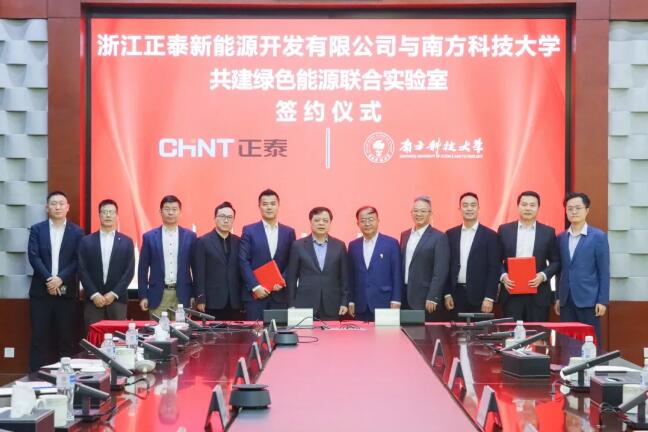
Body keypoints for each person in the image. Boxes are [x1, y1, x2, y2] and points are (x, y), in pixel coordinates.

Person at [27, 191, 83, 371]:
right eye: (53, 203)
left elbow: (78, 260)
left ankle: (67, 379)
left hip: (66, 293)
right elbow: (34, 257)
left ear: (68, 207)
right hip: (40, 292)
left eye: (61, 203)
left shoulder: (77, 232)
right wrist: (50, 280)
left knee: (66, 338)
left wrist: (60, 279)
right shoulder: (37, 229)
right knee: (38, 338)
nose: (57, 207)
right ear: (47, 208)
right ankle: (35, 378)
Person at [555, 192, 609, 344]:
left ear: (587, 210)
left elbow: (604, 270)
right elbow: (560, 270)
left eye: (578, 208)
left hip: (589, 300)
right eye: (570, 208)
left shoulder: (598, 236)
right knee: (567, 342)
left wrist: (602, 300)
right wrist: (558, 297)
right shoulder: (561, 237)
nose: (574, 211)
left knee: (590, 343)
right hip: (566, 301)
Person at [498, 191, 560, 322]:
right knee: (511, 333)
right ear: (518, 206)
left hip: (539, 294)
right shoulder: (504, 230)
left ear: (538, 208)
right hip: (511, 293)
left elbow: (556, 261)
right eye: (524, 204)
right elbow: (495, 260)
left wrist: (543, 276)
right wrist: (503, 276)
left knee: (537, 333)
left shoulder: (548, 232)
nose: (528, 208)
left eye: (532, 205)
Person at [239, 189, 296, 321]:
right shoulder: (249, 230)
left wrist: (282, 280)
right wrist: (255, 286)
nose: (269, 207)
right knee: (255, 332)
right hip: (255, 297)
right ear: (259, 206)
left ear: (278, 206)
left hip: (280, 296)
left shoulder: (289, 232)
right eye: (265, 204)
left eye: (272, 203)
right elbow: (243, 260)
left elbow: (292, 261)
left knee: (279, 332)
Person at [78, 199, 135, 328]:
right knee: (93, 337)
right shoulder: (86, 241)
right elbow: (82, 270)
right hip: (93, 300)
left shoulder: (127, 242)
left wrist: (114, 293)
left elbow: (129, 271)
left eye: (111, 212)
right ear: (99, 215)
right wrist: (94, 294)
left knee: (118, 336)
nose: (108, 215)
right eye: (104, 212)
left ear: (117, 215)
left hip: (117, 300)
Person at [138, 195, 196, 318]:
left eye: (174, 209)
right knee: (157, 330)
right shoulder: (149, 237)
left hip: (183, 295)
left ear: (180, 212)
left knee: (182, 329)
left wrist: (193, 294)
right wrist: (143, 295)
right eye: (167, 209)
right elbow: (142, 269)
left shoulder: (190, 236)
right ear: (160, 211)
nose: (170, 213)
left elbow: (196, 269)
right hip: (157, 295)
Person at [286, 207, 349, 320]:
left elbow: (345, 277)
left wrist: (344, 302)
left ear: (330, 223)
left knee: (332, 332)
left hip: (332, 304)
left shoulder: (339, 246)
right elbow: (291, 278)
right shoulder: (298, 245)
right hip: (304, 304)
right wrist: (291, 304)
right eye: (317, 220)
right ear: (310, 222)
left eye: (325, 220)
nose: (321, 223)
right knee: (304, 332)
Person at [445, 192, 499, 317]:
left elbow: (494, 268)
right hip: (455, 296)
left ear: (478, 208)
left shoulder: (491, 236)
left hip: (480, 297)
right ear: (460, 209)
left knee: (480, 330)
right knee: (456, 329)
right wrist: (446, 294)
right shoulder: (450, 234)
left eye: (473, 205)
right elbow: (446, 266)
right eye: (465, 205)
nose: (469, 208)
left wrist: (489, 297)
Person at [399, 196, 450, 321]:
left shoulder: (439, 237)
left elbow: (440, 271)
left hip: (425, 299)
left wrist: (433, 296)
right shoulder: (405, 235)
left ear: (430, 213)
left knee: (423, 332)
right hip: (404, 296)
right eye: (416, 211)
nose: (419, 214)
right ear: (411, 213)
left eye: (423, 211)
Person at [348, 206, 402, 320]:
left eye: (371, 219)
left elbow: (397, 274)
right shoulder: (353, 245)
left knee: (384, 332)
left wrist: (396, 299)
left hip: (385, 303)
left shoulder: (391, 243)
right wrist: (351, 300)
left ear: (378, 221)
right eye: (363, 220)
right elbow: (351, 276)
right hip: (360, 304)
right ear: (358, 223)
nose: (367, 223)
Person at [194, 201, 243, 320]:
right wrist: (200, 298)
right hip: (212, 301)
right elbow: (199, 273)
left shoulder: (239, 242)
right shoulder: (203, 241)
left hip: (234, 301)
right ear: (215, 218)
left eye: (230, 217)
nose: (226, 220)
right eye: (222, 216)